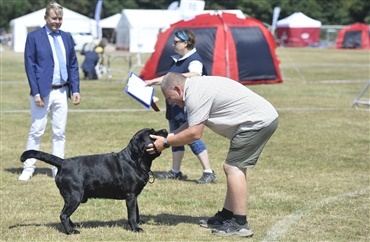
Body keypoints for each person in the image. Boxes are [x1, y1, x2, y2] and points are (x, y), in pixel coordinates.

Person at [146, 72, 279, 237]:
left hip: (257, 122)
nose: (170, 102)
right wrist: (167, 138)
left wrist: (165, 143)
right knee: (233, 167)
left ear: (178, 89)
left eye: (170, 97)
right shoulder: (194, 87)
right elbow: (191, 124)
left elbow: (194, 133)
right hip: (260, 118)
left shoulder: (195, 95)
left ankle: (240, 224)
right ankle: (227, 216)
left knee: (233, 168)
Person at [18, 1, 81, 181]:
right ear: (46, 17)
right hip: (42, 93)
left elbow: (73, 65)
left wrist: (75, 89)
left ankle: (57, 168)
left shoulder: (67, 37)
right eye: (54, 18)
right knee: (37, 130)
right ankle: (28, 167)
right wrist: (36, 92)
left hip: (62, 92)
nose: (57, 22)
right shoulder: (34, 37)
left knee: (59, 132)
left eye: (60, 19)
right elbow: (30, 67)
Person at [145, 29, 217, 184]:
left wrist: (178, 78)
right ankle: (175, 171)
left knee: (192, 138)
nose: (173, 44)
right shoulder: (178, 59)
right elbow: (169, 79)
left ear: (185, 43)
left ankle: (208, 171)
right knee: (174, 138)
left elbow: (196, 74)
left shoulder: (194, 60)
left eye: (176, 42)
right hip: (174, 106)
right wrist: (151, 82)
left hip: (186, 106)